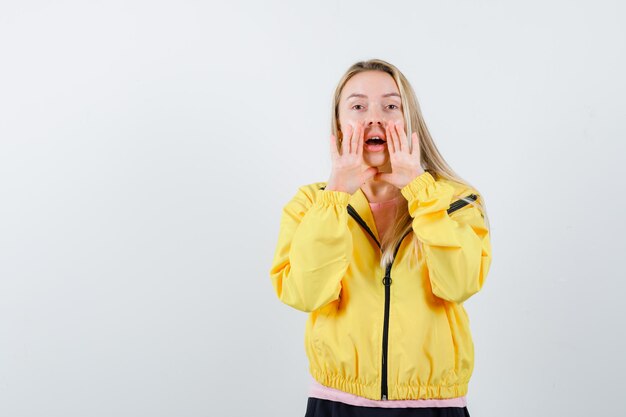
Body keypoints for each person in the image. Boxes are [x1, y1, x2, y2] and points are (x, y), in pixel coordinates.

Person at [269, 58, 493, 417]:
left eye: (391, 106)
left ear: (409, 122)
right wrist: (336, 195)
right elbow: (304, 294)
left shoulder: (454, 201)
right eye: (358, 106)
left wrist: (421, 191)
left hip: (434, 405)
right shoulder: (310, 204)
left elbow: (459, 284)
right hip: (336, 402)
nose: (374, 117)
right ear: (339, 125)